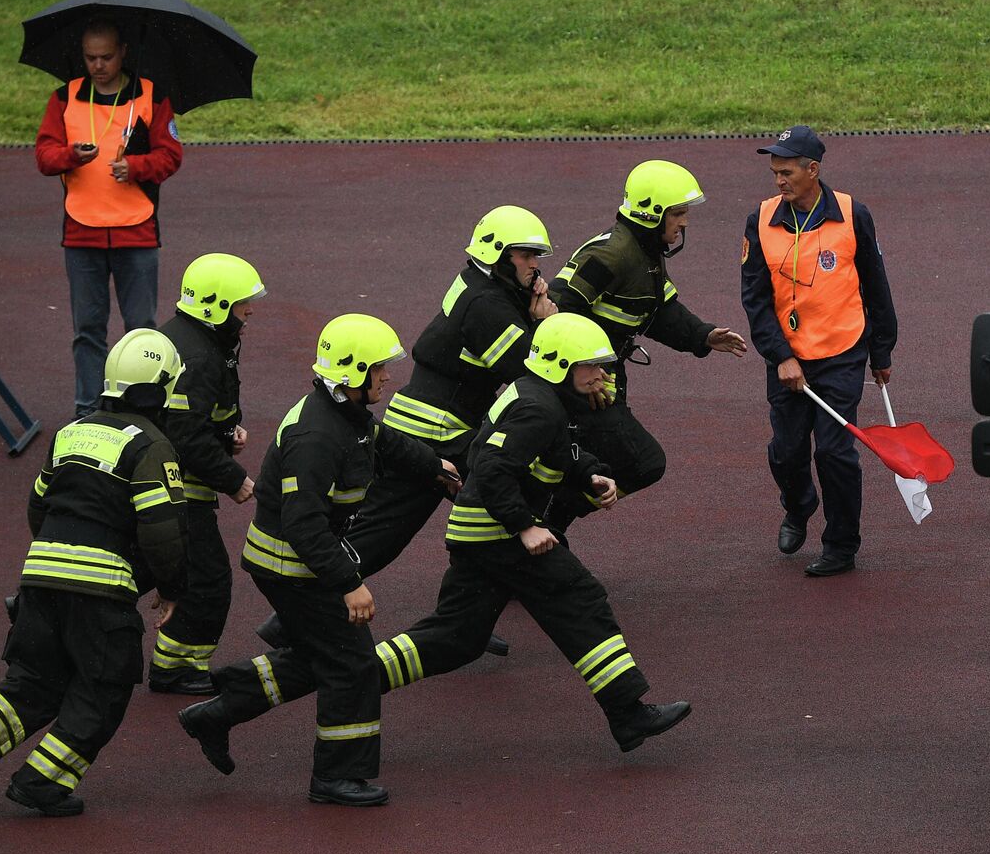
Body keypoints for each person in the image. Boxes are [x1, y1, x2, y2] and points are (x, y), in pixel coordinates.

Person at [179, 315, 691, 781]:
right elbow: (491, 470)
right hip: (495, 534)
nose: (603, 376)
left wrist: (588, 473)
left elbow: (548, 451)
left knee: (453, 639)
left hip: (480, 534)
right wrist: (525, 527)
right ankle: (628, 712)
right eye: (593, 368)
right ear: (561, 366)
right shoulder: (537, 407)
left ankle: (238, 699)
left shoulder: (541, 398)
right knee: (582, 599)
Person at [254, 206, 557, 657]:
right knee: (400, 529)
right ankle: (304, 616)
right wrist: (544, 321)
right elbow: (532, 370)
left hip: (431, 425)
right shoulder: (487, 304)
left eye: (537, 256)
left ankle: (460, 619)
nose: (536, 264)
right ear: (498, 254)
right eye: (527, 255)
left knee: (413, 526)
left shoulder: (483, 284)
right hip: (435, 429)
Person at [180, 315, 455, 807]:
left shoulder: (342, 414)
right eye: (379, 369)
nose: (388, 377)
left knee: (322, 657)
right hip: (292, 568)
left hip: (300, 563)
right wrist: (349, 583)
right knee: (352, 666)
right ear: (352, 375)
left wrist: (434, 468)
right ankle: (336, 778)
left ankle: (219, 711)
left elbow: (382, 441)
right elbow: (303, 525)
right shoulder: (316, 438)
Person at [0, 330, 188, 817]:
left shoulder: (71, 431)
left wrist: (51, 560)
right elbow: (163, 533)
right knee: (105, 688)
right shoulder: (153, 447)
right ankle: (41, 781)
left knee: (36, 678)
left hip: (39, 577)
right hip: (100, 588)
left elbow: (38, 505)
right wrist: (172, 589)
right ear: (161, 388)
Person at [545, 160, 748, 533]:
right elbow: (558, 311)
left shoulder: (644, 251)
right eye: (679, 213)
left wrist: (702, 335)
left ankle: (541, 529)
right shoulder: (611, 254)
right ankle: (543, 528)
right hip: (585, 386)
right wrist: (585, 374)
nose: (685, 222)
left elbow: (660, 311)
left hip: (601, 379)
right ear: (653, 213)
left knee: (601, 461)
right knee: (641, 463)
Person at [740, 126, 899, 577]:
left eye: (786, 172)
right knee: (786, 452)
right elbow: (754, 297)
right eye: (774, 172)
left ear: (813, 170)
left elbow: (876, 284)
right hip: (788, 355)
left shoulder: (852, 214)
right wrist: (780, 356)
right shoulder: (761, 219)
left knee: (834, 452)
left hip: (841, 352)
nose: (778, 181)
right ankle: (799, 504)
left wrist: (881, 352)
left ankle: (841, 545)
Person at [34, 16, 184, 419]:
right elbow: (44, 156)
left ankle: (144, 413)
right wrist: (71, 156)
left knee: (141, 331)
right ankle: (87, 412)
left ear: (123, 53)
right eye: (90, 58)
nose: (98, 65)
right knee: (88, 332)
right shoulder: (64, 98)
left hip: (137, 232)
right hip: (82, 233)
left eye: (105, 57)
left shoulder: (150, 96)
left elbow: (171, 156)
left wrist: (135, 168)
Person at [148, 253, 263, 695]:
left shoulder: (194, 341)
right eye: (242, 304)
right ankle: (175, 669)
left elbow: (197, 419)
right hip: (174, 487)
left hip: (162, 479)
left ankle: (33, 606)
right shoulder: (199, 355)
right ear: (215, 306)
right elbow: (186, 437)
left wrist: (226, 431)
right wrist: (234, 479)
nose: (250, 310)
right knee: (207, 579)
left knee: (146, 568)